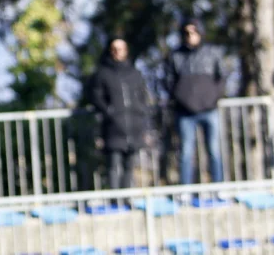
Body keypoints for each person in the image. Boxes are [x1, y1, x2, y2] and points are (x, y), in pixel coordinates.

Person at [165, 19, 226, 185]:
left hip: (209, 110)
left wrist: (213, 98)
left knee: (214, 150)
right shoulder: (175, 56)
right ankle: (185, 189)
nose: (190, 36)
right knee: (186, 152)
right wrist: (181, 99)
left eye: (193, 32)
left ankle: (219, 186)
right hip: (185, 113)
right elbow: (169, 82)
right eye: (186, 33)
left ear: (200, 33)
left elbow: (221, 78)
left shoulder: (212, 52)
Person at [87, 38, 150, 190]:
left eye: (121, 48)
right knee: (113, 167)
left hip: (133, 128)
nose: (117, 52)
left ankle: (126, 197)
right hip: (113, 128)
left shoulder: (135, 74)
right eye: (114, 48)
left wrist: (142, 119)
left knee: (130, 167)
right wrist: (109, 111)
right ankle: (115, 200)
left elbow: (143, 98)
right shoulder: (102, 74)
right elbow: (96, 96)